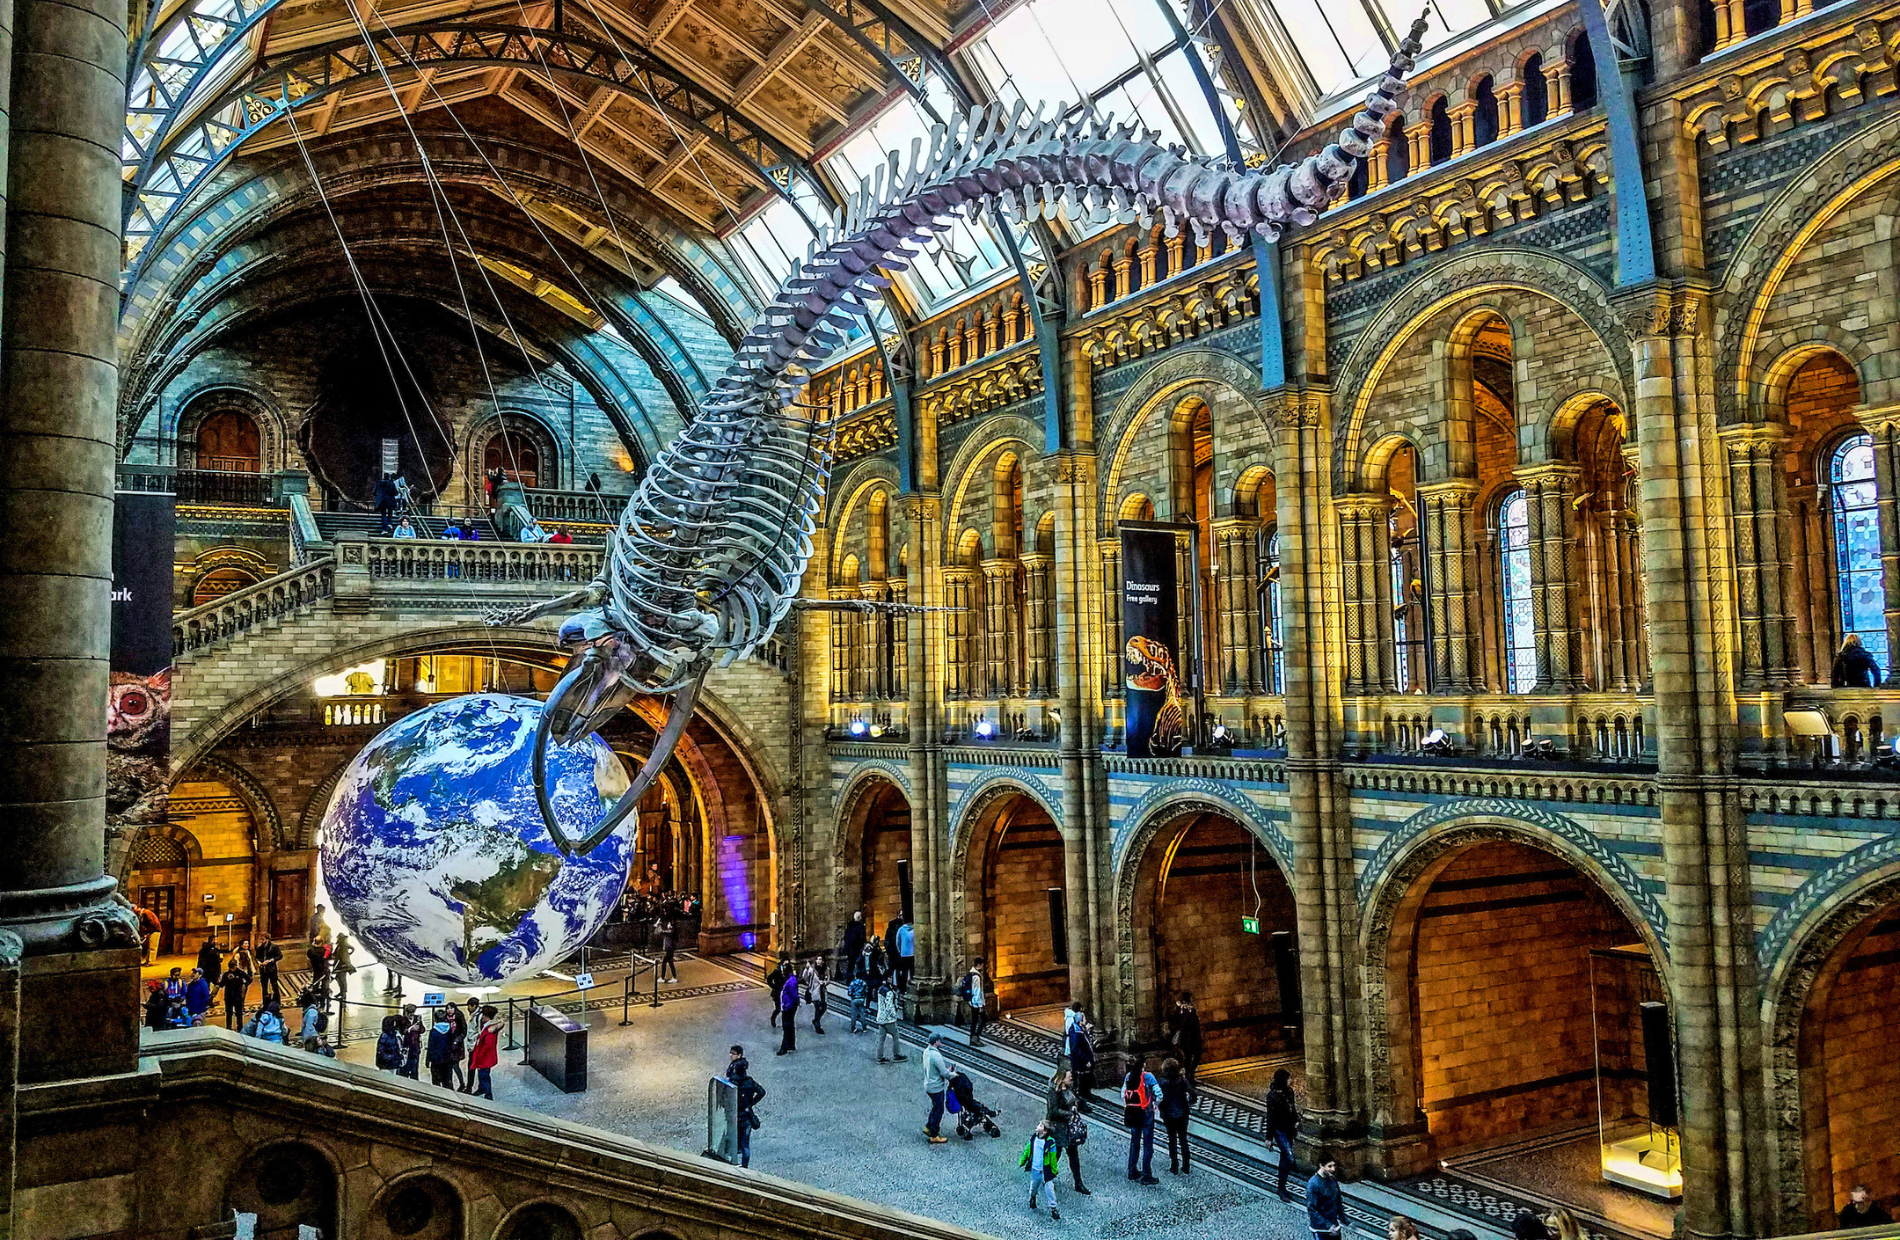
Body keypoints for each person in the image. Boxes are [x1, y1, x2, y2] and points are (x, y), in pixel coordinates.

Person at [1045, 1066, 1092, 1195]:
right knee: (1056, 1154)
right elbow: (1053, 1111)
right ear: (1062, 1078)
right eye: (1069, 1077)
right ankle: (1048, 1177)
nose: (1071, 1078)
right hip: (1058, 1129)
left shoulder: (1068, 1088)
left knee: (1073, 1156)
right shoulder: (1053, 1092)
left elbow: (1073, 1100)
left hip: (1069, 1129)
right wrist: (1069, 1113)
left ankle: (1078, 1183)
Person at [1122, 1054, 1159, 1184]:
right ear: (1144, 1064)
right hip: (1146, 1113)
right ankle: (1146, 1174)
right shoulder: (1148, 1077)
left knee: (1135, 1142)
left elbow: (1123, 1094)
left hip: (1133, 1113)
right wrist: (1155, 1104)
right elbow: (1159, 1094)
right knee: (1148, 1145)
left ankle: (1132, 1171)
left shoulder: (1128, 1076)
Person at [726, 1046, 765, 1169]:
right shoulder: (749, 1082)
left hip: (734, 1117)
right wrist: (751, 1103)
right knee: (745, 1145)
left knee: (731, 1141)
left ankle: (732, 1163)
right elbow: (761, 1092)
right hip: (746, 1116)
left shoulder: (732, 1084)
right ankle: (745, 1167)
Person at [1266, 1066, 1301, 1199]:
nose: (1290, 1081)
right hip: (1279, 1130)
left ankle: (1288, 1170)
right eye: (1288, 1078)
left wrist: (1296, 1119)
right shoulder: (1272, 1096)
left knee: (1286, 1155)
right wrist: (1269, 1137)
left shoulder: (1289, 1092)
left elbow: (1292, 1108)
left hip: (1289, 1128)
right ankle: (1281, 1188)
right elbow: (1270, 1117)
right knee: (1287, 1155)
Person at [1159, 1057, 1192, 1175]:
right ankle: (1186, 1165)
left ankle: (1174, 1165)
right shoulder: (1181, 1080)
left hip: (1168, 1114)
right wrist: (1187, 1102)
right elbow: (1193, 1095)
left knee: (1171, 1139)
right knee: (1183, 1139)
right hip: (1182, 1113)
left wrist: (1161, 1107)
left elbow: (1158, 1097)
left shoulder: (1162, 1081)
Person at [1022, 1120, 1061, 1219]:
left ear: (1044, 1132)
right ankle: (1032, 1197)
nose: (1037, 1126)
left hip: (1045, 1170)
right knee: (1034, 1185)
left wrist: (1054, 1170)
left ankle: (1053, 1208)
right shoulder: (1034, 1137)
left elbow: (1053, 1158)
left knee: (1049, 1189)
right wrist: (1023, 1160)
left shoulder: (1050, 1143)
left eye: (1040, 1125)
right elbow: (1028, 1149)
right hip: (1035, 1168)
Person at [1167, 992, 1203, 1097]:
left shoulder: (1191, 1010)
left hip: (1194, 1037)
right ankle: (1189, 1076)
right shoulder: (1181, 1011)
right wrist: (1183, 1011)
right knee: (1188, 1057)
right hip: (1186, 1039)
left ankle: (1191, 1073)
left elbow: (1195, 1023)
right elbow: (1179, 1023)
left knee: (1197, 1055)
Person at [922, 1032, 952, 1143]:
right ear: (936, 1042)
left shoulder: (926, 1052)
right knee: (939, 1109)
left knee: (935, 1107)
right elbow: (944, 1073)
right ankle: (934, 1135)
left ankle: (929, 1126)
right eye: (940, 1040)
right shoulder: (937, 1056)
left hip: (928, 1084)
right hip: (936, 1087)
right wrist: (952, 1074)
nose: (941, 1042)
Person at [469, 1005, 502, 1099]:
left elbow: (488, 1045)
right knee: (483, 1075)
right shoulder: (488, 1026)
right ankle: (482, 1089)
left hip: (485, 1058)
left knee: (484, 1076)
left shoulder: (490, 1029)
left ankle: (488, 1095)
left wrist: (480, 1055)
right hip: (484, 1057)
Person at [1066, 1004, 1098, 1104]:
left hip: (1086, 1059)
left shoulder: (1080, 1029)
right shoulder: (1075, 1031)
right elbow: (1075, 1049)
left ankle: (1087, 1094)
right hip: (1081, 1062)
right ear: (1080, 1020)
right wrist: (1085, 1060)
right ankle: (1082, 1097)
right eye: (1084, 1019)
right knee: (1082, 1081)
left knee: (1087, 1080)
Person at [1307, 1152, 1343, 1240]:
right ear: (1321, 1165)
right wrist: (1328, 1225)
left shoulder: (1333, 1180)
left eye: (1334, 1166)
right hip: (1320, 1229)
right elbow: (1312, 1209)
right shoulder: (1313, 1184)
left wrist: (1344, 1219)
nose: (1333, 1169)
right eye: (1329, 1166)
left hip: (1333, 1226)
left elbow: (1338, 1201)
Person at [957, 963, 989, 1047]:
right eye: (983, 965)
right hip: (976, 1003)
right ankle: (975, 1037)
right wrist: (980, 1005)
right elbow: (977, 992)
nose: (983, 967)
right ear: (979, 965)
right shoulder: (976, 977)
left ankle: (972, 1038)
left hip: (972, 1002)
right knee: (983, 1019)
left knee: (974, 1021)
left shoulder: (971, 974)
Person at [874, 981, 906, 1063]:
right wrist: (894, 1014)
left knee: (881, 1039)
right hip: (889, 1020)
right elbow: (889, 1006)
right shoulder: (889, 992)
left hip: (881, 1018)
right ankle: (896, 1054)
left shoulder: (880, 989)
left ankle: (879, 1057)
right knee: (896, 1036)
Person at [425, 1008, 457, 1086]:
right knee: (447, 1081)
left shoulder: (433, 1031)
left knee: (436, 1082)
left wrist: (427, 1059)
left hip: (436, 1060)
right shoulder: (450, 1030)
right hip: (447, 1059)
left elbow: (431, 1046)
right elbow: (452, 1044)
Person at [221, 952, 252, 1031]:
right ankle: (228, 1027)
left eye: (233, 967)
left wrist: (244, 984)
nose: (232, 969)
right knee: (229, 1013)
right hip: (228, 996)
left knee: (238, 1013)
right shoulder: (226, 974)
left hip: (237, 996)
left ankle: (240, 1027)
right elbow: (222, 984)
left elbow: (249, 979)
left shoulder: (240, 973)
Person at [777, 961, 800, 1055]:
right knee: (790, 1025)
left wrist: (795, 1002)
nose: (782, 972)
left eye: (784, 970)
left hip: (789, 1006)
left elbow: (793, 994)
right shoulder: (790, 979)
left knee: (786, 1026)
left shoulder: (791, 981)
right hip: (789, 1005)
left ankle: (785, 1046)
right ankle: (791, 1044)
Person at [255, 937, 283, 1005]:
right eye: (261, 939)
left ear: (267, 939)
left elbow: (280, 956)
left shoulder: (273, 947)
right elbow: (257, 957)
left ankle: (277, 1001)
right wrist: (259, 962)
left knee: (274, 985)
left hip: (271, 969)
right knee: (264, 986)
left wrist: (271, 960)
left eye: (263, 939)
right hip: (263, 970)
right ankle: (265, 1002)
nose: (261, 941)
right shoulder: (260, 948)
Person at [803, 957, 828, 1034]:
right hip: (815, 991)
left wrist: (824, 982)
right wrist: (806, 969)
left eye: (820, 959)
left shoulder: (826, 969)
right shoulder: (812, 969)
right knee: (818, 1007)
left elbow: (829, 979)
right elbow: (805, 977)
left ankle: (816, 1020)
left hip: (823, 991)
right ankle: (817, 1024)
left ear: (823, 961)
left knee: (824, 1007)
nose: (818, 961)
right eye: (817, 959)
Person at [766, 954, 791, 1028]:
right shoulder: (777, 971)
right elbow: (769, 979)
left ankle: (785, 1022)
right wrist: (774, 986)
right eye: (785, 964)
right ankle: (773, 1018)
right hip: (777, 993)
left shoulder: (789, 972)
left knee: (786, 1009)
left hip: (786, 993)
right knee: (778, 1008)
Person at [298, 988, 326, 1053]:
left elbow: (309, 1027)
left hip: (311, 1038)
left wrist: (304, 1039)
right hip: (313, 1036)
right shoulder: (311, 1010)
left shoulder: (311, 1012)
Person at [399, 1004, 423, 1079]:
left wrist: (419, 1025)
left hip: (415, 1047)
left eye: (413, 1013)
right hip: (406, 1047)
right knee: (405, 1068)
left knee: (414, 1068)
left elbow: (422, 1030)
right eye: (410, 1013)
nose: (411, 1015)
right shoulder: (402, 1020)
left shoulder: (417, 1019)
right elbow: (402, 1031)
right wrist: (410, 1029)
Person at [894, 919, 915, 992]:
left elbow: (898, 942)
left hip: (904, 954)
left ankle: (903, 989)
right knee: (913, 973)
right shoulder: (915, 929)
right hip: (913, 954)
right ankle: (912, 988)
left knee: (904, 973)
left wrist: (901, 951)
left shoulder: (901, 929)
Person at [847, 969, 869, 1035]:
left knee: (854, 1014)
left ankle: (853, 1028)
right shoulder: (864, 983)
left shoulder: (853, 983)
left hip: (854, 999)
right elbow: (866, 991)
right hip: (861, 999)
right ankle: (864, 1027)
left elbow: (849, 992)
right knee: (862, 1013)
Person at [658, 916, 679, 983]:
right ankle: (673, 976)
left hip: (670, 947)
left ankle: (663, 977)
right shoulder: (671, 930)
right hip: (670, 947)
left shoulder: (671, 931)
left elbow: (669, 934)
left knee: (664, 962)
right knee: (670, 962)